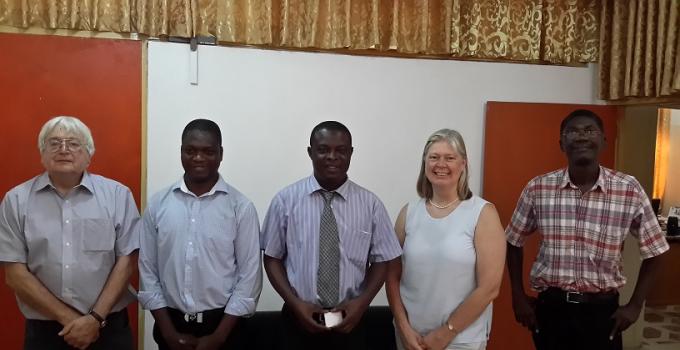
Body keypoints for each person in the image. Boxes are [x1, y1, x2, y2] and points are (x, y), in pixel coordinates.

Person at [506, 109, 669, 350]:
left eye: (589, 130)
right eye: (572, 131)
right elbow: (512, 241)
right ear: (562, 143)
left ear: (603, 140)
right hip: (551, 310)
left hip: (602, 313)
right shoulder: (538, 188)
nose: (581, 136)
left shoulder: (628, 189)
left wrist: (635, 305)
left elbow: (656, 250)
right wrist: (518, 297)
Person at [0, 116, 140, 350]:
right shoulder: (16, 200)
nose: (63, 150)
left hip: (107, 328)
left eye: (73, 143)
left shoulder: (118, 196)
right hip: (45, 332)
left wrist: (94, 319)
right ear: (42, 153)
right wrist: (72, 320)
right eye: (54, 143)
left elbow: (127, 262)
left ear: (89, 154)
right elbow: (14, 274)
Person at [260, 120, 402, 350]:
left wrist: (362, 304)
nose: (332, 156)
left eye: (341, 150)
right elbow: (272, 258)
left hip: (351, 319)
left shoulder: (370, 204)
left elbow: (382, 260)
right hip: (298, 317)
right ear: (310, 152)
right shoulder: (285, 201)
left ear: (351, 153)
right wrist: (296, 304)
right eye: (323, 149)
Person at [139, 119, 262, 350]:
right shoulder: (157, 205)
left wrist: (219, 337)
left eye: (208, 151)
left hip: (225, 327)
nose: (198, 158)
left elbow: (249, 276)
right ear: (181, 152)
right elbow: (148, 271)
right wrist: (168, 333)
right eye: (191, 151)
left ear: (221, 153)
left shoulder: (240, 207)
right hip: (170, 325)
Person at [385, 129, 505, 350]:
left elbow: (489, 288)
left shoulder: (482, 213)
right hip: (410, 337)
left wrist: (445, 333)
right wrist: (402, 326)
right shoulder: (409, 212)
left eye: (450, 158)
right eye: (434, 157)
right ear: (425, 163)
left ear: (463, 164)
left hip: (461, 339)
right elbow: (391, 275)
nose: (441, 164)